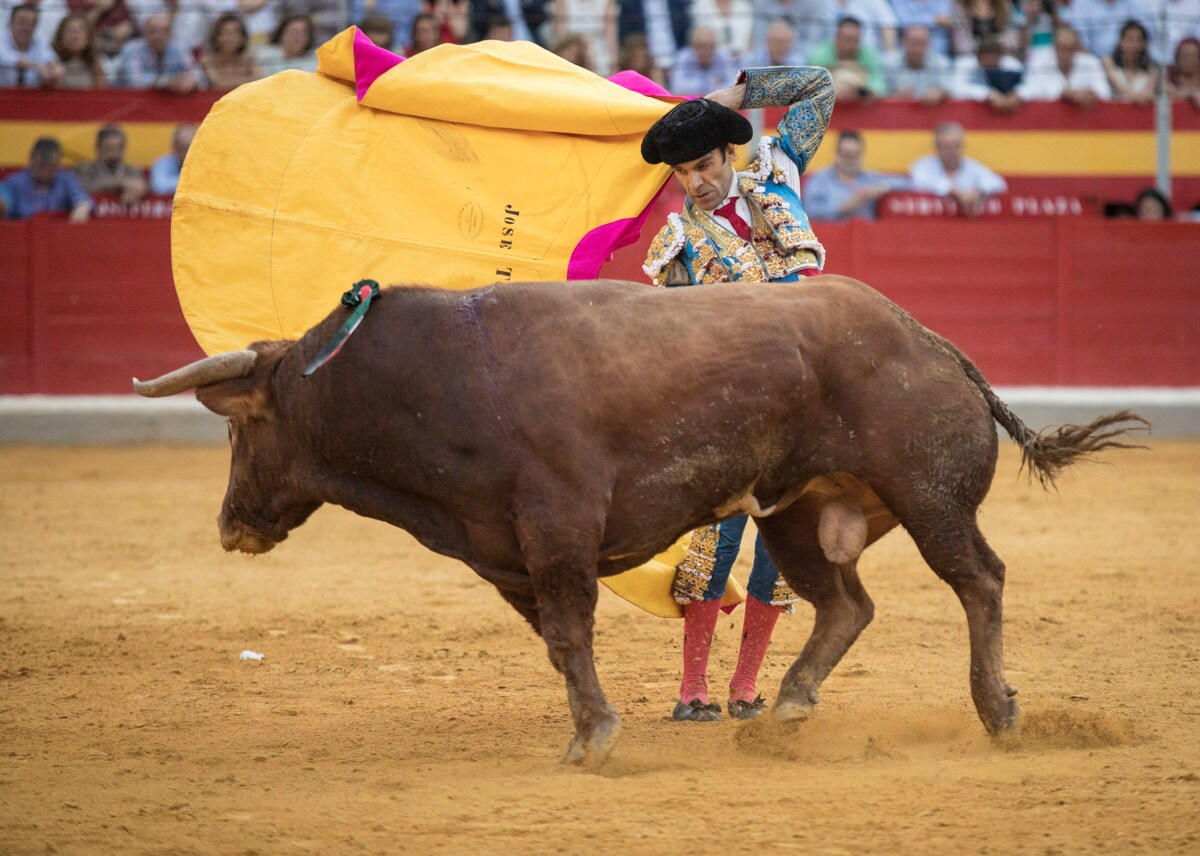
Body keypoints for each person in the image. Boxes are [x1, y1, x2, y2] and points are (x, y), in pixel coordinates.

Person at [640, 65, 834, 721]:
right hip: (722, 413)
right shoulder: (678, 241)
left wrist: (730, 96)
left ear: (731, 152)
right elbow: (667, 343)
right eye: (682, 172)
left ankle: (746, 688)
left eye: (703, 164)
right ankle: (693, 690)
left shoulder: (777, 179)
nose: (695, 181)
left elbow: (817, 88)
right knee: (711, 548)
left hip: (802, 409)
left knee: (783, 551)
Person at [803, 130, 908, 220]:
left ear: (862, 155)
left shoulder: (870, 178)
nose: (851, 160)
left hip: (867, 237)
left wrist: (881, 188)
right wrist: (845, 206)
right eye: (847, 155)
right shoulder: (819, 180)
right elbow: (808, 211)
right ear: (836, 155)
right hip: (829, 237)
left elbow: (907, 183)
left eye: (855, 155)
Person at [909, 121, 1006, 216]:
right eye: (947, 147)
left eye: (957, 146)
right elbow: (920, 179)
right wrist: (956, 192)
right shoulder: (924, 165)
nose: (953, 151)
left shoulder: (972, 166)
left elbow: (997, 183)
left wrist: (978, 191)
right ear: (937, 147)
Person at [1, 137, 92, 223]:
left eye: (50, 166)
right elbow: (4, 200)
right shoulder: (14, 183)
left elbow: (83, 200)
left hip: (57, 236)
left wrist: (82, 208)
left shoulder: (66, 180)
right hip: (21, 237)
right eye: (41, 165)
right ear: (31, 160)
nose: (45, 171)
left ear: (58, 164)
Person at [1017, 24, 1111, 104]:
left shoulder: (1091, 64)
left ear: (1077, 48)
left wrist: (1089, 94)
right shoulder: (1038, 63)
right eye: (1061, 48)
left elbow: (1105, 93)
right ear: (1054, 46)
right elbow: (1028, 91)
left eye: (1070, 49)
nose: (1065, 54)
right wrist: (1065, 93)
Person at [114, 11, 200, 91]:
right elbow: (135, 80)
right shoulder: (132, 49)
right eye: (153, 31)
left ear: (171, 33)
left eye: (164, 31)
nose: (158, 36)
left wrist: (190, 81)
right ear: (145, 32)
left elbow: (198, 74)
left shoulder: (179, 49)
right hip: (127, 102)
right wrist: (167, 82)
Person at [807, 15, 886, 102]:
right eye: (847, 39)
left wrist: (866, 92)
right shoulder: (819, 55)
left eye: (855, 40)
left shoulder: (870, 55)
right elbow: (810, 87)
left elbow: (879, 85)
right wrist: (833, 92)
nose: (851, 45)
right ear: (837, 38)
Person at [75, 125, 146, 206]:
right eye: (109, 148)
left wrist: (136, 192)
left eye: (118, 147)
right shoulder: (84, 169)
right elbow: (86, 187)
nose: (114, 152)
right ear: (98, 147)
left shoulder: (133, 170)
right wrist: (121, 183)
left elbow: (142, 185)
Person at [950, 33, 1023, 110]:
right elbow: (957, 88)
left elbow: (1029, 85)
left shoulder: (1012, 65)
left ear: (1000, 57)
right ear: (978, 57)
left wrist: (1017, 94)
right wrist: (989, 94)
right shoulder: (964, 64)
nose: (989, 64)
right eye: (986, 62)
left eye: (993, 62)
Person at [884, 22, 952, 103]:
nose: (918, 49)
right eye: (915, 43)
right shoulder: (889, 62)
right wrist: (896, 97)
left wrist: (941, 92)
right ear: (904, 42)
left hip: (931, 113)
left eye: (923, 44)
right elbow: (881, 95)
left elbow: (951, 88)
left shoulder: (940, 63)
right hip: (897, 113)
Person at [1060, 0, 1145, 60]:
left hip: (1128, 66)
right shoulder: (1082, 3)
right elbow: (1079, 42)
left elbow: (1141, 34)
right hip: (1095, 67)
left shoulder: (1132, 3)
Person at [0, 3, 60, 87]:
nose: (26, 28)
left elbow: (50, 58)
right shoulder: (1, 38)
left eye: (31, 23)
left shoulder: (39, 41)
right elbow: (5, 57)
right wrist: (36, 67)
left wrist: (54, 69)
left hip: (30, 96)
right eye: (21, 22)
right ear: (10, 23)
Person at [668, 24, 737, 94]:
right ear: (691, 45)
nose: (707, 51)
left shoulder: (723, 56)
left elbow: (734, 85)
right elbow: (677, 87)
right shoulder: (683, 57)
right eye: (702, 46)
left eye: (711, 46)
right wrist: (709, 83)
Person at [200, 11, 261, 89]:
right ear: (215, 37)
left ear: (243, 38)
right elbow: (218, 84)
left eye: (235, 33)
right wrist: (246, 81)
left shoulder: (249, 59)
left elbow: (259, 80)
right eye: (224, 33)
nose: (229, 39)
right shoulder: (207, 60)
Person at [553, 0, 616, 74]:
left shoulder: (607, 2)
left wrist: (613, 63)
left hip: (598, 50)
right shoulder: (562, 2)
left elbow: (611, 39)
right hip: (571, 47)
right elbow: (560, 37)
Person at [1103, 19, 1156, 103]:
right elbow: (1117, 87)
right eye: (1130, 39)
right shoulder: (1108, 62)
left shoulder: (1151, 69)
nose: (1134, 44)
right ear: (1120, 42)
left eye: (1139, 40)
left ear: (1144, 44)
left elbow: (1149, 92)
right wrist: (1135, 97)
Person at [66, 0, 136, 59]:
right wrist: (100, 8)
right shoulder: (75, 2)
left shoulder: (118, 2)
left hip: (120, 47)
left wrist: (126, 28)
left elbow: (130, 23)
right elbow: (79, 26)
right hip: (92, 47)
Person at [51, 10, 104, 86]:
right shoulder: (53, 64)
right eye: (70, 30)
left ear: (89, 37)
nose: (75, 35)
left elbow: (102, 94)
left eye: (81, 29)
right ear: (61, 37)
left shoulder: (95, 64)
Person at [254, 13, 318, 74]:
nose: (297, 37)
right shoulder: (263, 55)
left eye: (303, 33)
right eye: (294, 32)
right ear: (282, 34)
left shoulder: (315, 61)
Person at [690, 0, 754, 59]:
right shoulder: (700, 7)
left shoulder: (745, 6)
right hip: (712, 62)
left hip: (743, 60)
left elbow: (749, 41)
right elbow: (700, 40)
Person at [888, 0, 954, 57]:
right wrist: (935, 20)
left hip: (941, 55)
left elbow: (948, 19)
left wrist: (917, 19)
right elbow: (902, 20)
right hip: (906, 57)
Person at [150, 124, 196, 196]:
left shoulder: (206, 163)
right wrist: (194, 184)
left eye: (190, 148)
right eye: (182, 148)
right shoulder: (162, 163)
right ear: (174, 147)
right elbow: (159, 186)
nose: (187, 153)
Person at [1167, 36, 1200, 108]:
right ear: (1177, 57)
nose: (1188, 59)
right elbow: (1169, 91)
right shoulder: (1168, 76)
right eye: (1184, 56)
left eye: (1193, 56)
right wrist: (1191, 93)